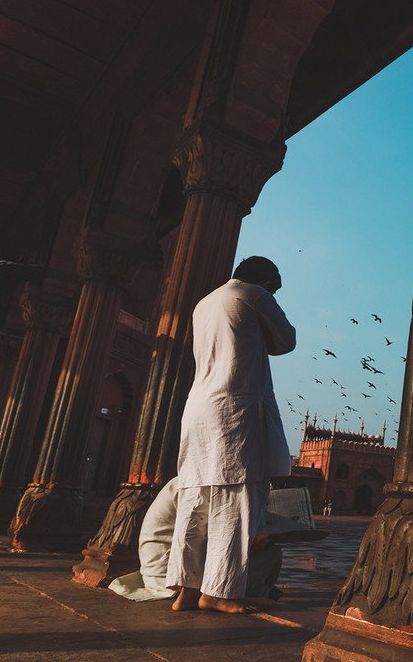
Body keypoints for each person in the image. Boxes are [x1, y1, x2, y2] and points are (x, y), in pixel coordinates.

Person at [165, 256, 295, 614]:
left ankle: (186, 591)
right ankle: (218, 592)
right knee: (236, 499)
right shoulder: (254, 294)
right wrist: (265, 306)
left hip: (199, 410)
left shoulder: (203, 303)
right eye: (274, 289)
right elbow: (286, 341)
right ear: (266, 282)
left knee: (196, 502)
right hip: (234, 408)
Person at [111, 478, 325, 605]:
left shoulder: (192, 478)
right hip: (172, 577)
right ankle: (254, 591)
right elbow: (218, 542)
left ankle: (260, 588)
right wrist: (257, 541)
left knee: (268, 548)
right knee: (269, 553)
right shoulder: (203, 484)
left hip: (166, 569)